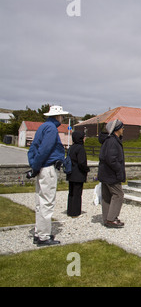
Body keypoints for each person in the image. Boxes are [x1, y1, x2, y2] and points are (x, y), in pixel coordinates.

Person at [27, 105, 69, 246]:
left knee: (40, 202)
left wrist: (34, 165)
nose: (62, 119)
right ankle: (44, 237)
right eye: (62, 116)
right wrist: (37, 165)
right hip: (47, 168)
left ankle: (39, 232)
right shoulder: (51, 128)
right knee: (47, 202)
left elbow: (34, 147)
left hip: (41, 167)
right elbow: (45, 149)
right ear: (57, 116)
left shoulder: (43, 127)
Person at [98, 119, 126, 228]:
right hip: (111, 174)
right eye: (122, 127)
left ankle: (107, 218)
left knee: (107, 196)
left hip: (105, 173)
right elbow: (111, 159)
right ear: (117, 129)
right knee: (118, 195)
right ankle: (111, 219)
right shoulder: (112, 141)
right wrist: (119, 170)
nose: (123, 129)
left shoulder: (109, 140)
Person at [66, 131, 90, 217]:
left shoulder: (71, 148)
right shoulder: (80, 148)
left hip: (71, 173)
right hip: (78, 174)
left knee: (71, 193)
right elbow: (81, 162)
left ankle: (70, 210)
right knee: (77, 193)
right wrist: (87, 169)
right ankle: (75, 211)